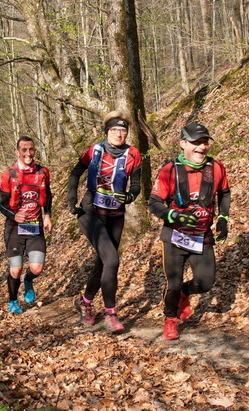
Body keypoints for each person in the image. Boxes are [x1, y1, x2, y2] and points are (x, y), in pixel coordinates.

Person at [148, 122, 231, 340]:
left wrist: (223, 218)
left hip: (201, 237)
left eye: (204, 142)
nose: (201, 147)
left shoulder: (216, 168)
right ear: (183, 143)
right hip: (175, 237)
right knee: (172, 284)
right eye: (196, 142)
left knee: (205, 282)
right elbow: (154, 202)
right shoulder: (170, 170)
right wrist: (173, 215)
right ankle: (170, 318)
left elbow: (225, 193)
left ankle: (186, 291)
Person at [67, 111, 142, 333]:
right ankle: (111, 314)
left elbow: (136, 184)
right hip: (91, 213)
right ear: (106, 132)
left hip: (116, 215)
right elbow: (74, 174)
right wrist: (72, 199)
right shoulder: (94, 151)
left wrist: (130, 196)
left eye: (123, 131)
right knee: (112, 260)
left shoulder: (133, 154)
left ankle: (85, 301)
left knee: (104, 263)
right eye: (114, 130)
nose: (119, 134)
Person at [0, 136, 53, 314]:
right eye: (24, 150)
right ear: (17, 152)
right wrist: (15, 215)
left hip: (34, 226)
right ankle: (13, 300)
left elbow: (48, 195)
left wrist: (48, 215)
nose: (28, 154)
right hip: (14, 229)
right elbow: (1, 205)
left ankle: (28, 281)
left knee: (37, 268)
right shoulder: (8, 175)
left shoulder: (43, 172)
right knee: (16, 268)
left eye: (31, 150)